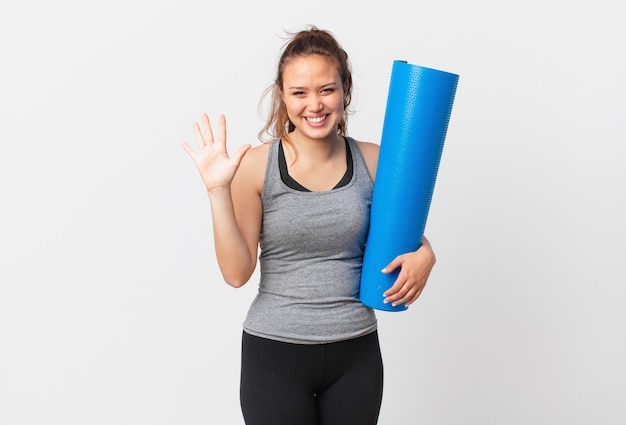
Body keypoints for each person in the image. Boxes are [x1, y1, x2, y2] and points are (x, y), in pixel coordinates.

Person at [182, 26, 436, 425]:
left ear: (345, 89)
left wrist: (428, 254)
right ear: (282, 95)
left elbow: (408, 236)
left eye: (326, 89)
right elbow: (236, 274)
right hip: (275, 354)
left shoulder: (374, 160)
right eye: (299, 92)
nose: (314, 105)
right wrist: (218, 191)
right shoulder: (254, 167)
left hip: (356, 353)